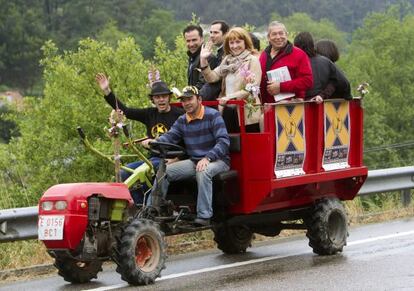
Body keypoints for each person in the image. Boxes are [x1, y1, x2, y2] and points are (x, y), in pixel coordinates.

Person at [143, 86, 230, 226]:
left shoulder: (213, 115)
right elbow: (170, 137)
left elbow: (224, 142)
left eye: (190, 99)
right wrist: (154, 142)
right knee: (163, 172)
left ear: (199, 99)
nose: (187, 103)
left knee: (203, 171)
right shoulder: (182, 120)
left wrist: (208, 158)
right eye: (183, 100)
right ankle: (151, 212)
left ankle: (204, 216)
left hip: (218, 160)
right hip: (195, 161)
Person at [95, 73, 184, 203]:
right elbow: (125, 110)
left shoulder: (180, 115)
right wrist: (107, 91)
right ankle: (138, 205)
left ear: (169, 97)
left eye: (164, 96)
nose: (161, 100)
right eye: (157, 97)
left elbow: (188, 140)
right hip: (153, 159)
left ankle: (150, 209)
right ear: (153, 100)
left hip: (171, 159)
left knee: (143, 172)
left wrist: (177, 159)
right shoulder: (149, 114)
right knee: (124, 172)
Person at [200, 27, 262, 132]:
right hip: (228, 110)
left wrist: (229, 97)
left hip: (246, 112)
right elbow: (212, 77)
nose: (235, 46)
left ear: (245, 42)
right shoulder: (227, 60)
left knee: (246, 146)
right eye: (231, 43)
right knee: (230, 145)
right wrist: (203, 60)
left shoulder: (252, 60)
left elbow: (252, 88)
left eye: (238, 42)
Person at [259, 21, 313, 104]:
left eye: (281, 33)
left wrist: (281, 87)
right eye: (274, 34)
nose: (278, 37)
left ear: (286, 35)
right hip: (266, 107)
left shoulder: (299, 54)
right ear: (268, 37)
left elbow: (308, 81)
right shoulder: (264, 55)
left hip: (289, 108)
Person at [293, 32, 351, 102]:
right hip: (324, 106)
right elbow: (343, 82)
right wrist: (348, 96)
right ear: (312, 45)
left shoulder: (292, 64)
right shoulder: (325, 62)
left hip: (299, 107)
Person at [199, 20, 229, 101]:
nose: (212, 35)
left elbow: (217, 81)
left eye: (216, 32)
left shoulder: (227, 52)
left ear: (226, 34)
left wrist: (200, 96)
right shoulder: (220, 51)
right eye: (211, 32)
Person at [183, 24, 205, 90]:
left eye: (194, 40)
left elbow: (203, 84)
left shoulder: (207, 58)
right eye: (188, 41)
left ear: (202, 39)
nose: (191, 44)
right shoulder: (192, 57)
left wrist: (187, 94)